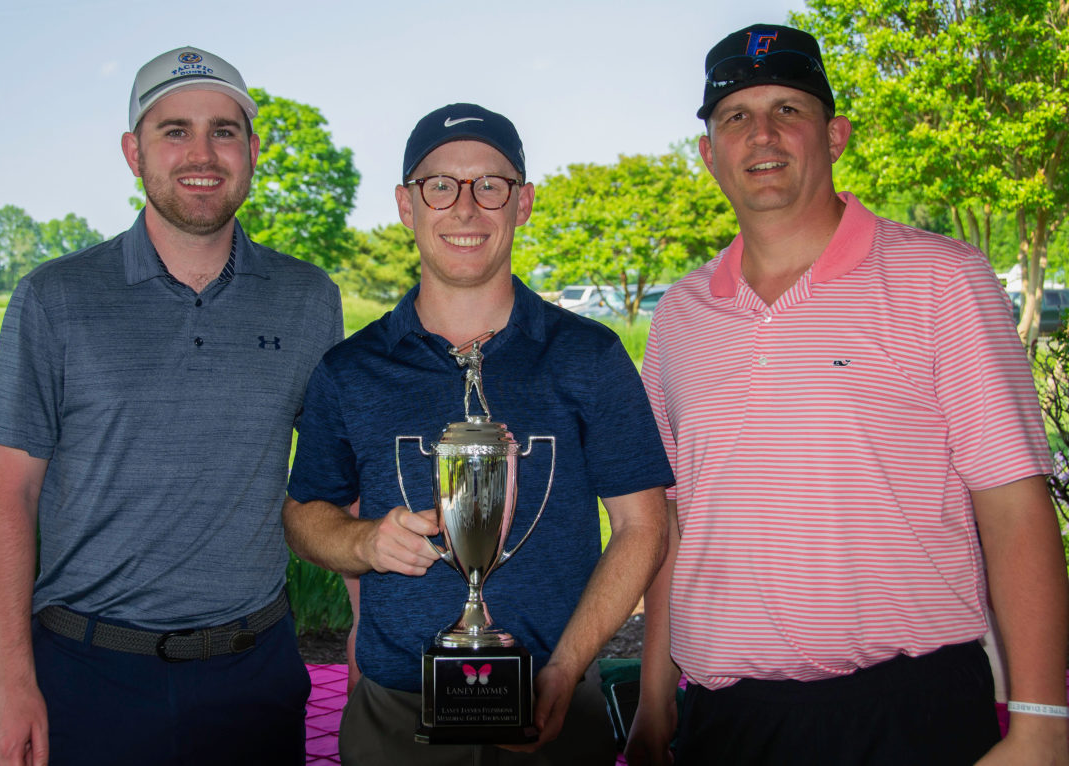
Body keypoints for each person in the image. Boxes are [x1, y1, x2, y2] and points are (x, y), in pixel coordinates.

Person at [626, 23, 1069, 766]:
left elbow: (1014, 504)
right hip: (728, 722)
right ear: (709, 153)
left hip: (909, 716)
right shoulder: (680, 315)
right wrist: (654, 699)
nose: (761, 133)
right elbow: (672, 519)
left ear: (835, 136)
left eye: (788, 110)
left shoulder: (941, 280)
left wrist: (1042, 722)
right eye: (735, 116)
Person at [0, 46, 343, 766]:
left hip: (255, 672)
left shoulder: (308, 299)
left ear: (253, 150)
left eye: (224, 131)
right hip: (88, 677)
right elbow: (8, 497)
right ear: (132, 152)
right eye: (174, 130)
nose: (201, 154)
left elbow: (340, 481)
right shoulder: (54, 297)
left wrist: (367, 636)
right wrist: (12, 679)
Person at [283, 103, 674, 765]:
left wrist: (566, 666)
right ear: (407, 206)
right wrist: (363, 541)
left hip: (555, 703)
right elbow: (303, 516)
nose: (465, 208)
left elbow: (643, 526)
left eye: (490, 185)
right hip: (396, 719)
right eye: (440, 185)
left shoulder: (588, 355)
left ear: (521, 204)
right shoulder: (351, 370)